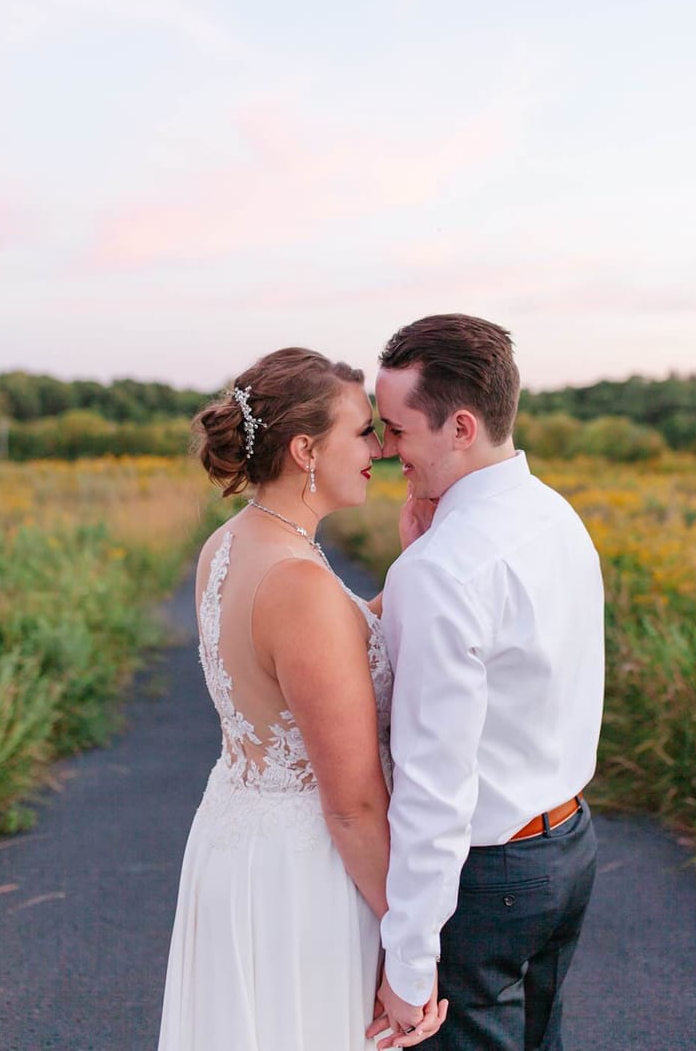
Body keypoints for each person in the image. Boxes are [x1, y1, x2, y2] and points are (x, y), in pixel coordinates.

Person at [158, 347, 447, 1051]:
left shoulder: (230, 544)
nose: (378, 447)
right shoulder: (300, 584)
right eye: (361, 431)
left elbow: (329, 649)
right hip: (303, 872)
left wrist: (412, 564)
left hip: (236, 841)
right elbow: (352, 805)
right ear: (304, 448)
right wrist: (410, 946)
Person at [367, 314, 605, 1051]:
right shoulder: (556, 515)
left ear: (460, 425)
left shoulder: (442, 571)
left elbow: (435, 788)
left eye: (396, 429)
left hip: (488, 877)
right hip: (570, 844)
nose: (382, 449)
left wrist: (406, 967)